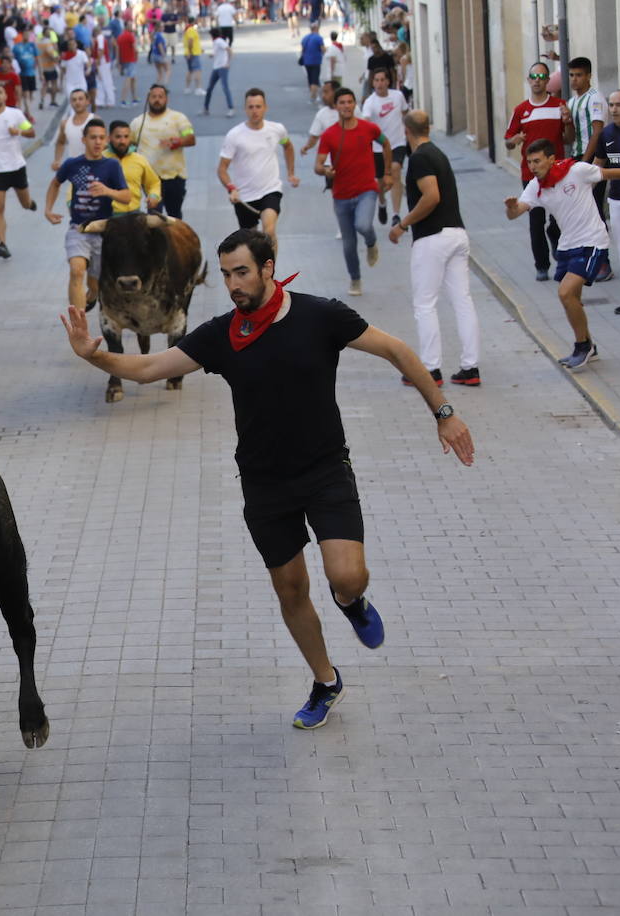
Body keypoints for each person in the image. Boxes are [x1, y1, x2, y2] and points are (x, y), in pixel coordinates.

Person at [61, 228, 475, 729]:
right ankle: (326, 681)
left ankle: (352, 601)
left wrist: (444, 412)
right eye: (227, 274)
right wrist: (94, 355)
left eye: (242, 272)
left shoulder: (320, 315)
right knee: (291, 589)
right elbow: (150, 367)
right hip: (263, 484)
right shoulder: (221, 335)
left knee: (346, 575)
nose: (233, 284)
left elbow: (398, 351)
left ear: (267, 269)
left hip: (325, 471)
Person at [504, 138, 620, 370]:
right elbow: (516, 212)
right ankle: (589, 345)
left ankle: (582, 346)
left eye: (537, 161)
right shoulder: (536, 186)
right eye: (529, 161)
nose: (532, 166)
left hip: (592, 241)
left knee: (565, 293)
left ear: (551, 159)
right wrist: (511, 207)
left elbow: (609, 173)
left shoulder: (577, 171)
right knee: (574, 299)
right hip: (567, 245)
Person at [387, 110, 481, 387]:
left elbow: (431, 196)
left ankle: (430, 370)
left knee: (425, 304)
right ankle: (470, 366)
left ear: (407, 132)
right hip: (457, 233)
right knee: (462, 301)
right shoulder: (438, 153)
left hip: (432, 237)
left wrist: (402, 224)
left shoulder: (419, 158)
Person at [44, 119, 130, 311]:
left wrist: (107, 191)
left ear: (106, 140)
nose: (97, 142)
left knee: (96, 283)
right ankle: (78, 324)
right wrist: (48, 210)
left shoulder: (112, 166)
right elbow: (55, 183)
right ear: (84, 140)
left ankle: (91, 294)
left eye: (101, 138)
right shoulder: (72, 164)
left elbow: (126, 196)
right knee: (76, 271)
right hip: (78, 228)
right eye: (93, 138)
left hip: (103, 230)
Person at [316, 87, 391, 295]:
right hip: (341, 195)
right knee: (348, 244)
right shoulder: (329, 134)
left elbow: (386, 144)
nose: (346, 106)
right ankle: (355, 279)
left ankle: (371, 241)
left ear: (355, 104)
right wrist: (325, 170)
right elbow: (318, 164)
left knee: (363, 224)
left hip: (367, 189)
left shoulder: (369, 128)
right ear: (336, 106)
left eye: (350, 102)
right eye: (342, 102)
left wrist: (387, 174)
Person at [504, 62, 565, 282]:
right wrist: (515, 140)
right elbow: (508, 142)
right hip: (531, 175)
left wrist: (568, 122)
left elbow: (568, 139)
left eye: (541, 76)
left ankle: (557, 243)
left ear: (548, 80)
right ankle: (541, 265)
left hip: (558, 172)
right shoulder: (521, 110)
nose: (537, 79)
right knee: (535, 221)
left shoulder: (560, 105)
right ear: (528, 80)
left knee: (559, 218)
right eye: (533, 76)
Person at [218, 89, 298, 245]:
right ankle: (257, 268)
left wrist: (291, 173)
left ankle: (270, 269)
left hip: (270, 190)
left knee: (269, 232)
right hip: (244, 196)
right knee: (251, 242)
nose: (255, 111)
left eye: (258, 106)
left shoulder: (277, 129)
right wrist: (231, 188)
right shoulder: (235, 135)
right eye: (251, 107)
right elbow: (222, 169)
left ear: (265, 107)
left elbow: (287, 146)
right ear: (245, 109)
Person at [563, 57, 612, 283]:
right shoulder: (573, 102)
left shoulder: (595, 99)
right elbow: (570, 138)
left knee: (595, 210)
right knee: (581, 211)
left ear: (589, 76)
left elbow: (598, 132)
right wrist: (567, 123)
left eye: (579, 75)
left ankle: (604, 263)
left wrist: (585, 162)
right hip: (577, 158)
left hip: (591, 159)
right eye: (572, 75)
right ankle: (586, 259)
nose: (575, 79)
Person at [0, 85, 39, 259]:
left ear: (6, 96)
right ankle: (2, 244)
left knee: (25, 203)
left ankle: (30, 204)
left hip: (16, 166)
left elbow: (32, 132)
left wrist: (18, 131)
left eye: (0, 92)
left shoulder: (16, 114)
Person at [130, 84, 197, 218]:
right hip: (150, 179)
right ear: (148, 99)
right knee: (154, 216)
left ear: (166, 99)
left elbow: (191, 138)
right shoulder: (137, 123)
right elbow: (130, 146)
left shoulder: (178, 118)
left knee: (174, 215)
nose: (157, 100)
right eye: (154, 96)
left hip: (174, 178)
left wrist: (178, 142)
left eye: (161, 97)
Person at [360, 68, 409, 226]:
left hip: (397, 143)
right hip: (378, 148)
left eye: (382, 80)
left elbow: (406, 113)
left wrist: (410, 132)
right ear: (373, 83)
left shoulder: (398, 96)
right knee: (380, 182)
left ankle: (396, 215)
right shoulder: (370, 102)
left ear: (388, 81)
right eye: (377, 80)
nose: (380, 83)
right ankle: (382, 204)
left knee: (395, 170)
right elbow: (366, 121)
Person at [594, 90, 620, 315]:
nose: (614, 109)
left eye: (619, 105)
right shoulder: (606, 134)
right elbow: (597, 167)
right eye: (611, 105)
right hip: (617, 201)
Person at [106, 120, 162, 214]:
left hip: (133, 214)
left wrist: (154, 196)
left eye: (126, 137)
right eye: (118, 137)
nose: (122, 141)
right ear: (109, 138)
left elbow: (154, 183)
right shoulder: (100, 159)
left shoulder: (140, 160)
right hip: (107, 216)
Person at [52, 88, 95, 171]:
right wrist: (57, 160)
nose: (77, 102)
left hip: (93, 168)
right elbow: (60, 142)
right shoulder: (65, 123)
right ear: (71, 103)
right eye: (74, 100)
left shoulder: (94, 120)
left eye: (80, 99)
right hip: (74, 169)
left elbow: (104, 144)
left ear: (87, 102)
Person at [301, 79, 340, 158]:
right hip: (327, 160)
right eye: (322, 92)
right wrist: (307, 146)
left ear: (335, 92)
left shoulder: (351, 109)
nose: (323, 96)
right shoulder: (322, 114)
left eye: (326, 92)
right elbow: (314, 136)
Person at [202, 27, 233, 116]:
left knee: (225, 87)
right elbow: (218, 53)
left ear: (212, 35)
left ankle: (231, 108)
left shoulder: (219, 41)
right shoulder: (216, 42)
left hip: (222, 67)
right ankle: (206, 108)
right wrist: (211, 55)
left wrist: (228, 63)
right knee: (209, 88)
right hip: (216, 67)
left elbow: (229, 50)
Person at [12, 28, 40, 113]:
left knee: (30, 95)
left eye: (28, 34)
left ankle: (27, 110)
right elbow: (13, 60)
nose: (26, 36)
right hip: (22, 74)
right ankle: (28, 112)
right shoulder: (17, 47)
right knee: (26, 93)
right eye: (25, 34)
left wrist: (40, 72)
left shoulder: (32, 45)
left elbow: (37, 58)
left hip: (31, 73)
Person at [59, 38, 91, 106]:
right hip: (70, 83)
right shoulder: (65, 56)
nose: (72, 46)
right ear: (68, 46)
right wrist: (61, 83)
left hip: (81, 82)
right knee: (72, 103)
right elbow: (62, 70)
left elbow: (87, 64)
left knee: (82, 103)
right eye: (70, 45)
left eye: (73, 44)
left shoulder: (82, 54)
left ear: (76, 45)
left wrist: (88, 70)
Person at [37, 26, 62, 109]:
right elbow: (51, 53)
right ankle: (53, 101)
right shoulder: (48, 42)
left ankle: (41, 100)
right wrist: (57, 59)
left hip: (42, 66)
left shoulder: (39, 42)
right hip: (50, 66)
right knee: (54, 83)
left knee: (45, 85)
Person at [300, 22, 324, 104]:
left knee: (310, 78)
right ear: (316, 29)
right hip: (315, 61)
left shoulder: (305, 38)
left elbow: (302, 50)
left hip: (307, 62)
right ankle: (313, 97)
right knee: (315, 79)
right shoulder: (318, 38)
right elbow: (323, 49)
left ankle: (314, 94)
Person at [116, 22, 139, 105]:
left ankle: (134, 98)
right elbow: (135, 48)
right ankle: (123, 99)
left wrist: (118, 61)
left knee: (133, 78)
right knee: (129, 79)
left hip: (124, 60)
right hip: (131, 59)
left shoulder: (120, 37)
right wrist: (137, 56)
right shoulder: (130, 36)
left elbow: (118, 50)